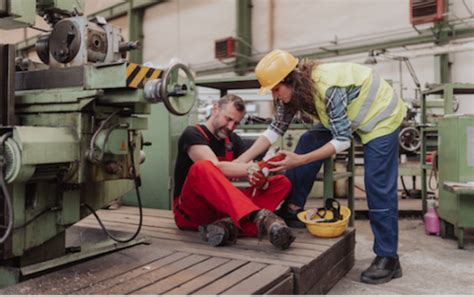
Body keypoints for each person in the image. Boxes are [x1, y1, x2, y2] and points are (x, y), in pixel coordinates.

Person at [236, 49, 406, 284]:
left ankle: (388, 258)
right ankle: (293, 209)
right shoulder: (294, 93)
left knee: (376, 184)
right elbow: (274, 130)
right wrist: (239, 163)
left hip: (380, 116)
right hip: (351, 116)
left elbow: (343, 140)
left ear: (290, 81)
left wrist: (300, 160)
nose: (275, 96)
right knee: (308, 141)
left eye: (276, 89)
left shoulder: (328, 88)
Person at [172, 94, 295, 250]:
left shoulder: (233, 140)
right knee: (203, 167)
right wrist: (254, 168)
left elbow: (252, 176)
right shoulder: (192, 134)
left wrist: (261, 178)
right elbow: (217, 167)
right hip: (192, 212)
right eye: (228, 119)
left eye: (236, 123)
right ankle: (256, 217)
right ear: (216, 109)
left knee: (281, 183)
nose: (230, 127)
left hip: (223, 209)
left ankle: (227, 227)